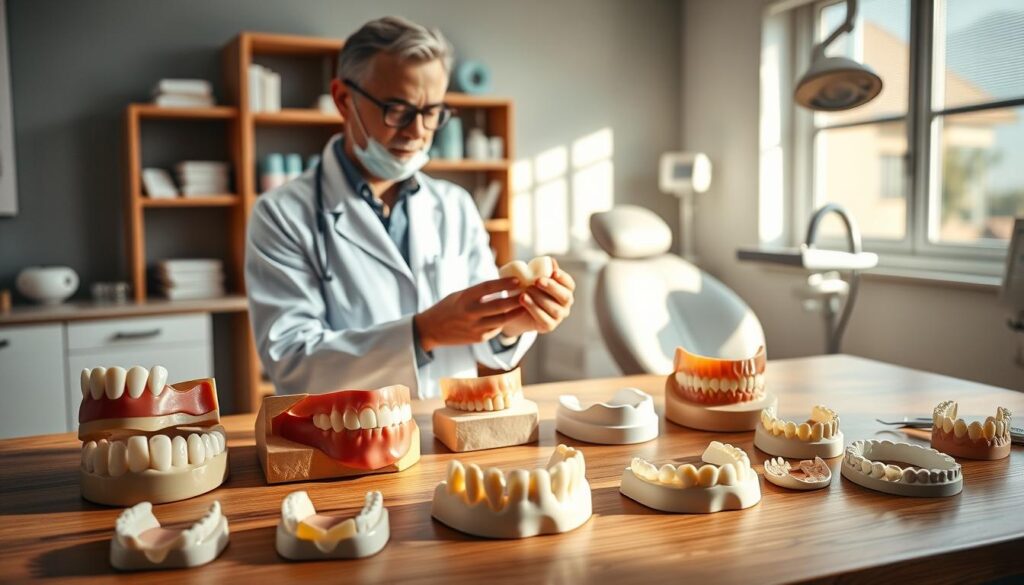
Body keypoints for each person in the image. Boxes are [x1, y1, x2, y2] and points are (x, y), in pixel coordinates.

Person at [245, 16, 575, 399]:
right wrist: (423, 332)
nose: (418, 131)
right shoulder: (281, 215)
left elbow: (486, 343)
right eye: (397, 109)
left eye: (432, 112)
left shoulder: (455, 206)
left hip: (447, 434)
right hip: (348, 440)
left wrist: (511, 323)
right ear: (343, 99)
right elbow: (292, 364)